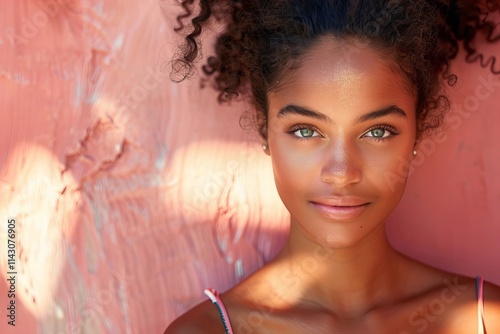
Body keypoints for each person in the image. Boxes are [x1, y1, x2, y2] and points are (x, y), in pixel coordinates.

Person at [165, 0, 500, 333]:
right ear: (264, 128)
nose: (341, 172)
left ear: (417, 129)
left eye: (377, 131)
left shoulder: (485, 318)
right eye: (306, 131)